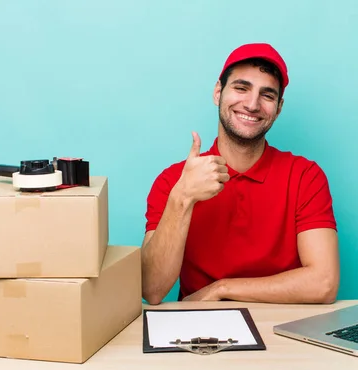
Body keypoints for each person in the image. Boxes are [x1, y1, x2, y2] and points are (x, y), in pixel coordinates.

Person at [142, 43, 339, 305]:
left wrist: (222, 289)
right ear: (217, 92)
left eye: (267, 95)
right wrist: (183, 197)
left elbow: (323, 283)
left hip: (284, 328)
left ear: (278, 108)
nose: (252, 104)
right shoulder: (174, 180)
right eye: (241, 88)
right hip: (200, 330)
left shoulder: (305, 176)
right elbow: (151, 289)